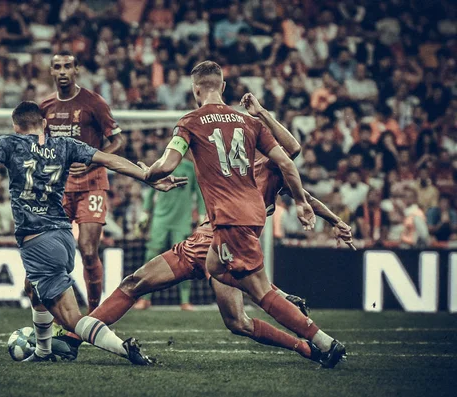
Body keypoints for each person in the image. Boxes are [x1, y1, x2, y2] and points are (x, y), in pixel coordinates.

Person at [0, 101, 187, 364]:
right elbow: (110, 160)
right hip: (62, 235)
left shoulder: (9, 143)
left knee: (71, 317)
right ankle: (43, 351)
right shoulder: (64, 144)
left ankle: (123, 349)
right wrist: (148, 176)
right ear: (44, 124)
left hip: (37, 239)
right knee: (32, 288)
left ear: (16, 126)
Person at [143, 61, 346, 367]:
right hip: (221, 235)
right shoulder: (256, 168)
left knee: (252, 297)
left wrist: (262, 113)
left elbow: (293, 158)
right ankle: (289, 310)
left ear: (196, 89)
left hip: (234, 232)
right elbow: (293, 163)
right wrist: (327, 215)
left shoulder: (270, 170)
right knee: (237, 318)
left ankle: (320, 340)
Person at [39, 51, 126, 312]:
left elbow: (118, 141)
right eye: (57, 67)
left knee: (88, 250)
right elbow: (39, 145)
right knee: (53, 253)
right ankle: (56, 312)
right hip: (59, 189)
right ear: (51, 72)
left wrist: (93, 160)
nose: (63, 71)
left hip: (92, 184)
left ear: (77, 70)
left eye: (68, 66)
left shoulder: (94, 103)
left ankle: (94, 311)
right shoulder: (45, 108)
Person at [133, 157, 205, 311]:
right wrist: (145, 214)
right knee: (150, 257)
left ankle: (185, 301)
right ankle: (145, 298)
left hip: (181, 221)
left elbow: (199, 192)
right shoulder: (161, 163)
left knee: (185, 259)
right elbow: (151, 187)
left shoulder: (191, 168)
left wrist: (201, 216)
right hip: (160, 219)